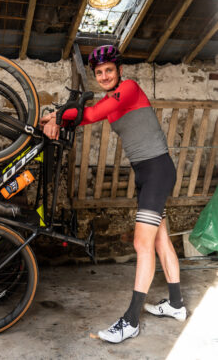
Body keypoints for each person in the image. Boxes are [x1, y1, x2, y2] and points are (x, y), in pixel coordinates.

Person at [40, 45, 187, 344]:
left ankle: (130, 321)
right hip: (148, 174)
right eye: (99, 73)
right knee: (159, 239)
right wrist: (54, 118)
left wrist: (57, 115)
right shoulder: (113, 99)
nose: (105, 76)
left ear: (119, 71)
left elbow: (92, 114)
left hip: (157, 171)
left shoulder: (129, 88)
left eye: (109, 70)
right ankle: (176, 305)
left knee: (140, 243)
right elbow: (86, 115)